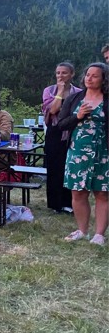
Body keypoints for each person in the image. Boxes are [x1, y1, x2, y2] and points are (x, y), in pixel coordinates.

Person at [58, 63, 109, 245]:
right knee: (78, 192)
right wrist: (77, 116)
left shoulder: (107, 99)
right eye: (88, 75)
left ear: (104, 79)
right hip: (78, 151)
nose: (90, 78)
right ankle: (82, 231)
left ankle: (99, 235)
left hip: (103, 152)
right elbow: (61, 124)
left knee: (102, 193)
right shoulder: (75, 98)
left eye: (95, 76)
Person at [42, 62, 81, 214]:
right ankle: (55, 204)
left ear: (72, 74)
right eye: (58, 73)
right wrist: (60, 91)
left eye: (64, 73)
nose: (60, 76)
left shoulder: (78, 92)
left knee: (69, 167)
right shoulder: (49, 90)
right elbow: (53, 109)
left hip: (72, 131)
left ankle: (69, 203)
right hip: (54, 131)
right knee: (54, 167)